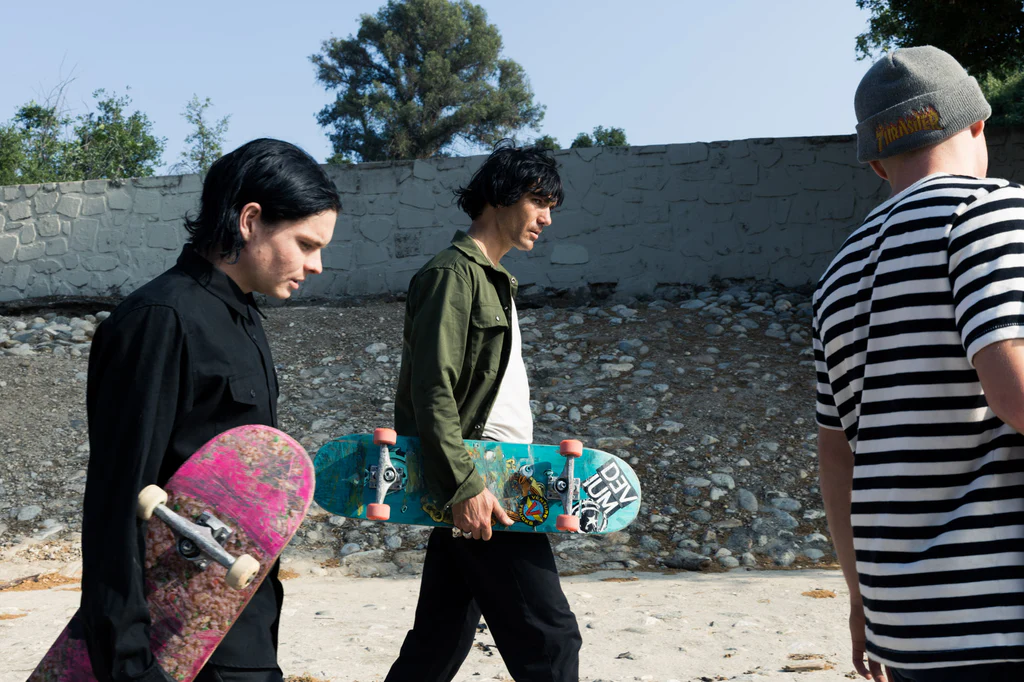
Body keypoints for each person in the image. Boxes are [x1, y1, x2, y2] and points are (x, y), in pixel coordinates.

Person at [79, 138, 341, 682]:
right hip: (176, 646)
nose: (316, 265)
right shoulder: (160, 320)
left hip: (241, 625)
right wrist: (130, 665)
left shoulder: (242, 317)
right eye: (306, 244)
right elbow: (116, 502)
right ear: (250, 221)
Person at [814, 46, 1024, 682]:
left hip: (909, 626)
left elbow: (836, 459)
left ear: (877, 162)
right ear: (979, 123)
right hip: (1005, 610)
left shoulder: (837, 275)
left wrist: (861, 599)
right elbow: (1014, 392)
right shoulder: (988, 213)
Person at [385, 141, 582, 682]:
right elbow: (432, 391)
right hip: (486, 479)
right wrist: (465, 485)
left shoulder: (494, 279)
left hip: (494, 472)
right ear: (501, 196)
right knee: (551, 639)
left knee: (438, 642)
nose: (546, 218)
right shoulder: (453, 275)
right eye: (539, 202)